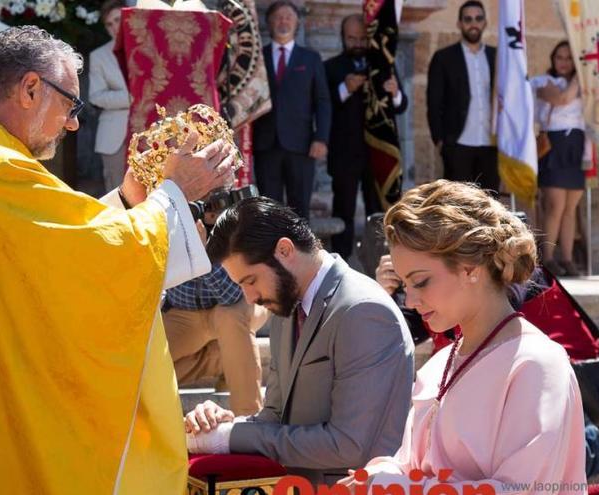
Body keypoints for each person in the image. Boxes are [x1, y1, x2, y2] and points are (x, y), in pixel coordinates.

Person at [0, 26, 236, 494]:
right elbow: (94, 260)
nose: (73, 122)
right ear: (30, 88)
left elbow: (54, 250)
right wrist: (177, 194)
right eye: (69, 104)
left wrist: (127, 198)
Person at [343, 180, 585, 494]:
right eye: (405, 285)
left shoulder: (536, 364)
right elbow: (412, 465)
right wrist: (384, 470)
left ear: (471, 268)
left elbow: (524, 490)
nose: (410, 300)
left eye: (421, 282)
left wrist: (394, 484)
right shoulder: (440, 363)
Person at [184, 197, 414, 487]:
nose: (249, 298)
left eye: (251, 280)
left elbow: (348, 444)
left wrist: (229, 438)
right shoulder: (286, 304)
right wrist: (225, 425)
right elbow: (276, 417)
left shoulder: (363, 311)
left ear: (285, 250)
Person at [324, 13, 407, 260]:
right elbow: (322, 104)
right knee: (344, 210)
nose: (358, 43)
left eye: (362, 38)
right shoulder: (331, 67)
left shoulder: (383, 65)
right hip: (345, 154)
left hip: (378, 152)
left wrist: (395, 93)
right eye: (352, 38)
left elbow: (401, 105)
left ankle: (379, 262)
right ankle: (341, 264)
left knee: (378, 211)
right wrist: (344, 89)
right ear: (343, 38)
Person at [252, 0, 331, 219]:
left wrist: (321, 138)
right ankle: (270, 252)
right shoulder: (258, 57)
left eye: (288, 17)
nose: (283, 21)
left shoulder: (311, 58)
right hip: (266, 143)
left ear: (297, 23)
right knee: (268, 207)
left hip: (302, 145)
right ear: (269, 22)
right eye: (278, 17)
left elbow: (323, 101)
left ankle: (301, 252)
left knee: (300, 206)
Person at [163, 265, 262, 416]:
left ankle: (248, 421)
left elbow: (231, 295)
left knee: (229, 318)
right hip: (182, 312)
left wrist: (203, 252)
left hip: (240, 302)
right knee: (141, 368)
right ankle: (220, 361)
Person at [427, 1, 498, 192]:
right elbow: (434, 103)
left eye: (478, 19)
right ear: (459, 23)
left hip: (491, 145)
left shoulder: (497, 56)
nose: (473, 23)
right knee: (459, 208)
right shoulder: (444, 58)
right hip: (457, 144)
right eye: (468, 19)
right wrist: (440, 141)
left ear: (485, 23)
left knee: (490, 205)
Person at [532, 41, 586, 277]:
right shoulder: (543, 82)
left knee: (570, 208)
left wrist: (582, 74)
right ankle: (549, 258)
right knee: (555, 205)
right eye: (559, 57)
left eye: (568, 58)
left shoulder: (584, 84)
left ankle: (567, 258)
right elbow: (562, 99)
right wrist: (580, 76)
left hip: (576, 144)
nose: (563, 62)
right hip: (554, 144)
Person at [89, 0, 131, 192]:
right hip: (115, 136)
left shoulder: (150, 47)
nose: (114, 27)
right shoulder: (99, 56)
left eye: (117, 20)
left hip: (150, 131)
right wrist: (132, 97)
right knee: (117, 194)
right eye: (109, 24)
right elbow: (95, 96)